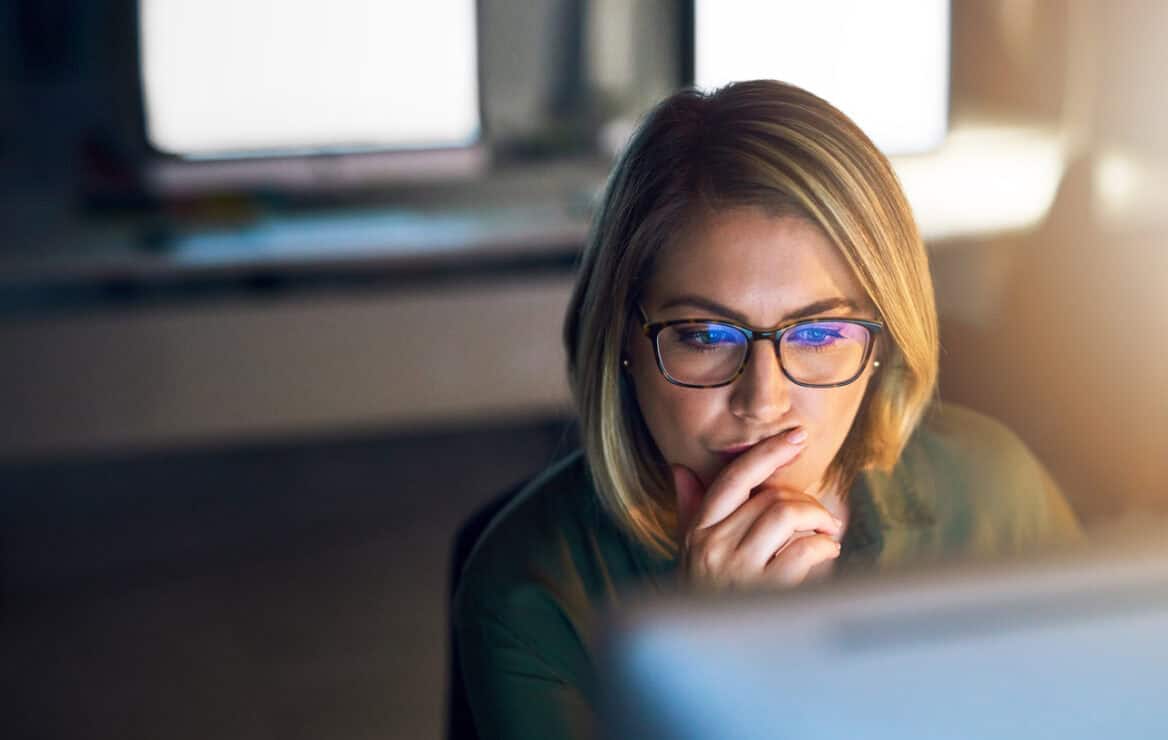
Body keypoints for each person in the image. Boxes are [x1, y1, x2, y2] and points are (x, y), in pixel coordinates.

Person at [452, 79, 1082, 739]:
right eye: (703, 336)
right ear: (623, 343)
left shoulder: (993, 495)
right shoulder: (531, 592)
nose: (764, 402)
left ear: (884, 343)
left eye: (817, 335)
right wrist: (725, 659)